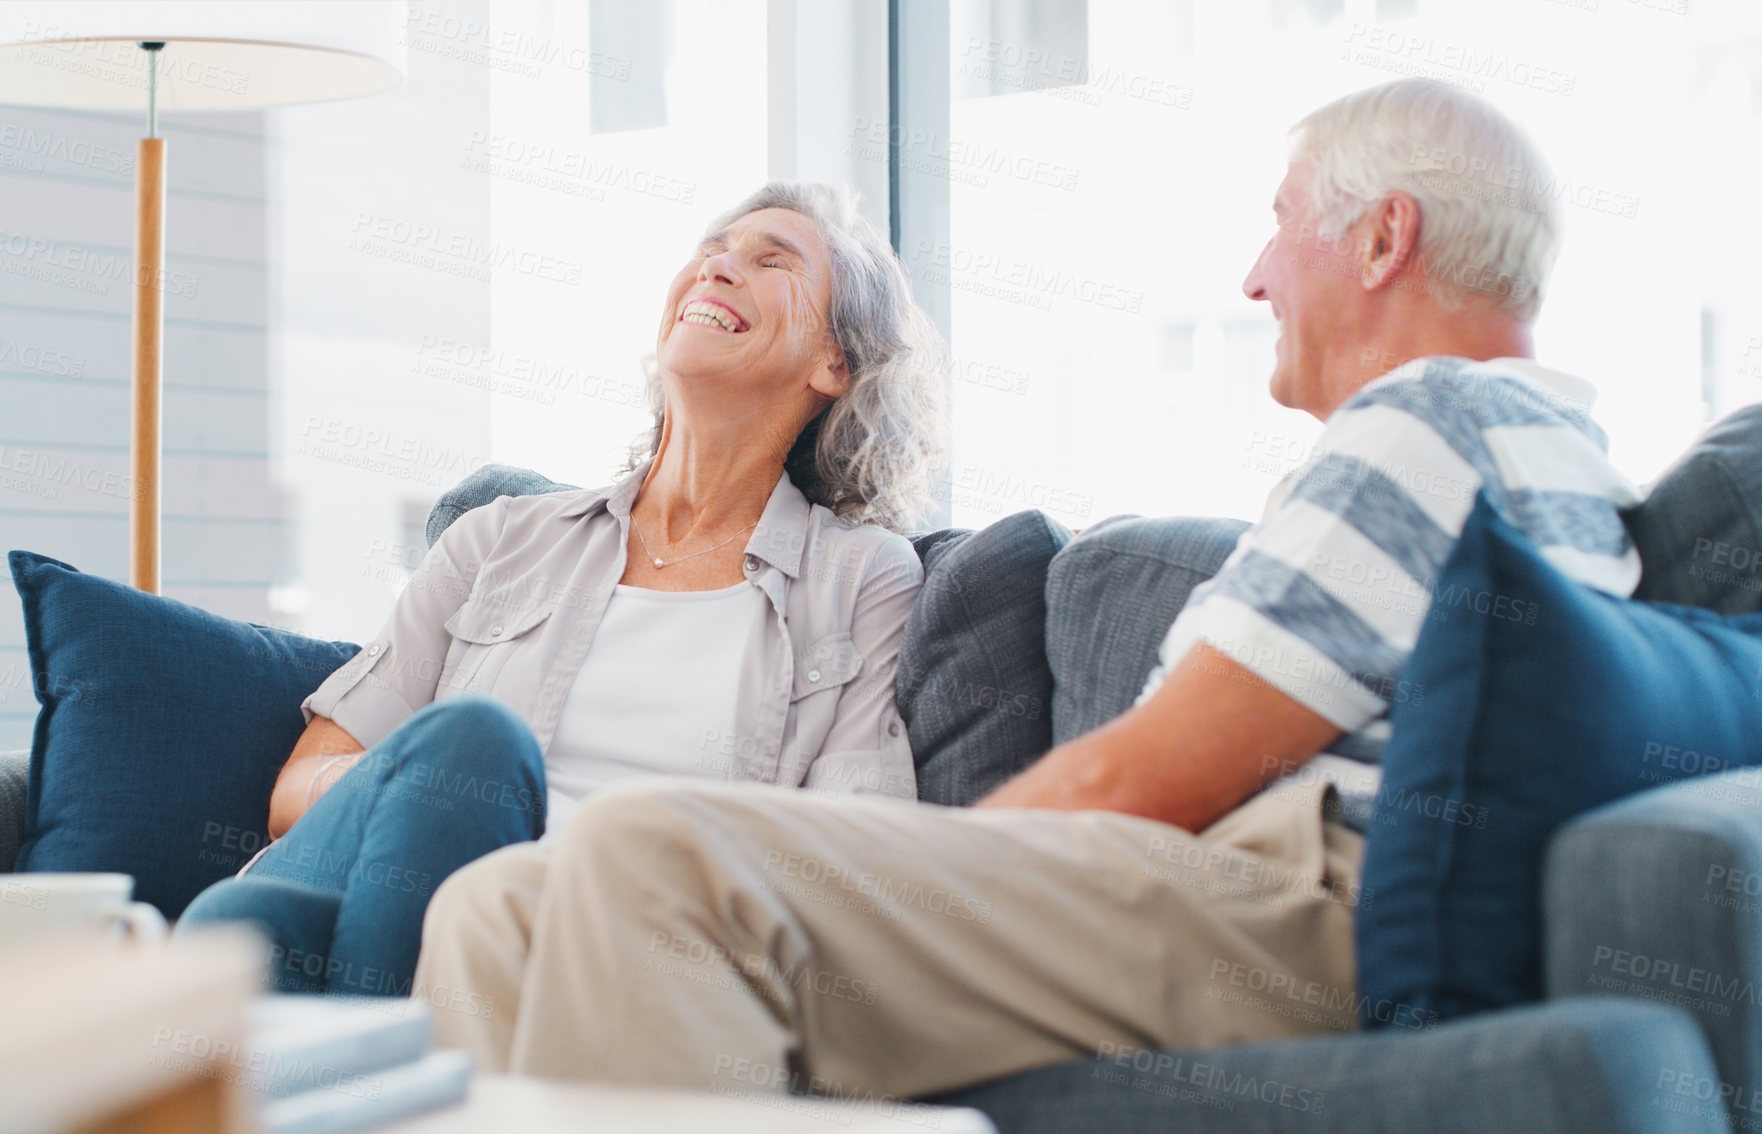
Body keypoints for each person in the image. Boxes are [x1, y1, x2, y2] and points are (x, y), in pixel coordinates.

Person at [412, 78, 1642, 1096]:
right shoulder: (1522, 437)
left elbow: (1146, 775)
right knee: (499, 905)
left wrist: (894, 895)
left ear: (1382, 237)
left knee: (653, 857)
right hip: (1238, 890)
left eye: (1281, 222)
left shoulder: (1424, 426)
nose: (1257, 278)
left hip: (1289, 909)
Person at [175, 181, 947, 997]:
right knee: (450, 764)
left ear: (836, 363)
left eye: (771, 259)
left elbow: (851, 857)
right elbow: (296, 794)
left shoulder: (859, 578)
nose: (719, 268)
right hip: (376, 890)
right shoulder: (501, 537)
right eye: (713, 250)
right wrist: (430, 799)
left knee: (249, 936)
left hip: (601, 956)